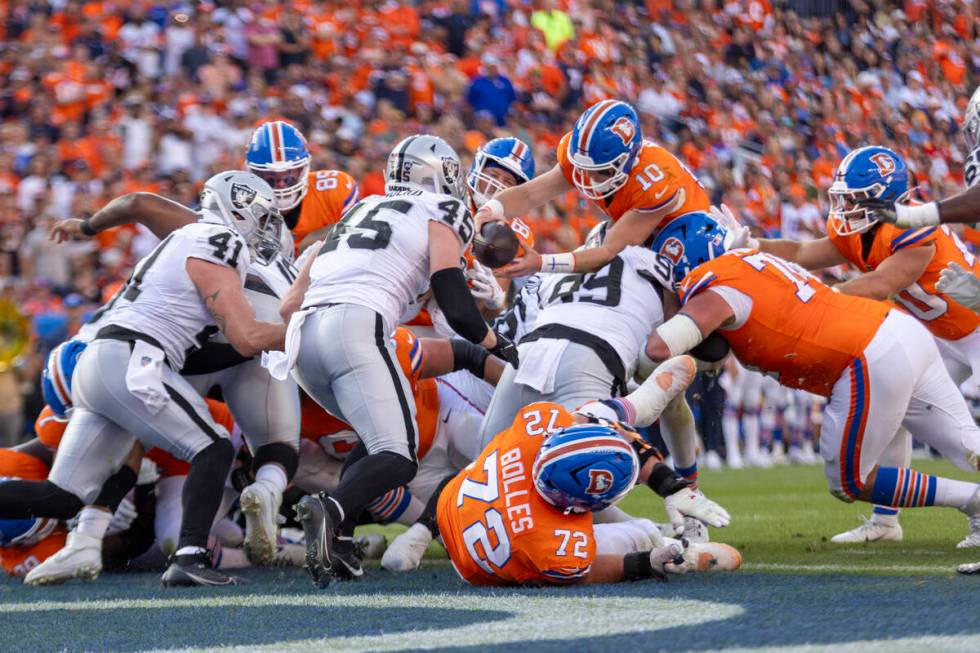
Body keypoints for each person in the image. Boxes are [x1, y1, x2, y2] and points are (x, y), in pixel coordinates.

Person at [0, 171, 287, 587]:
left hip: (100, 360)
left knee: (62, 497)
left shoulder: (186, 237)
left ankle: (80, 548)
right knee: (214, 448)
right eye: (261, 217)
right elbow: (246, 337)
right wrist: (302, 326)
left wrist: (87, 225)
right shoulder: (222, 241)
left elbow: (138, 203)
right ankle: (190, 558)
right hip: (132, 357)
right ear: (237, 208)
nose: (264, 228)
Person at [268, 135, 520, 587]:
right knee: (398, 456)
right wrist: (493, 340)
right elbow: (452, 294)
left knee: (374, 437)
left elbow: (289, 305)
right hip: (357, 326)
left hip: (302, 342)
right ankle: (333, 509)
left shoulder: (359, 209)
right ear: (441, 175)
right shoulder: (443, 210)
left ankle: (340, 542)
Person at [647, 211, 980, 549]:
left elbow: (660, 347)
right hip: (900, 329)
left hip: (866, 356)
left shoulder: (716, 288)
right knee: (968, 444)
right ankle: (916, 516)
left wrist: (668, 292)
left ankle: (974, 501)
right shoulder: (754, 261)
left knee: (850, 482)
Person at [742, 146, 980, 543]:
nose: (846, 205)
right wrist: (750, 247)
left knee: (966, 443)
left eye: (855, 197)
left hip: (975, 326)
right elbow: (801, 253)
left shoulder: (912, 228)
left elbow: (880, 284)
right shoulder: (858, 232)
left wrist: (818, 298)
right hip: (936, 333)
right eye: (845, 195)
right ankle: (886, 522)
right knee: (900, 404)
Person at [431, 356, 737, 586]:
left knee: (594, 416)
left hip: (452, 504)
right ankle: (667, 544)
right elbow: (589, 571)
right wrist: (647, 563)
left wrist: (668, 484)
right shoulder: (554, 545)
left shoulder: (533, 425)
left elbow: (589, 423)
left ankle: (633, 405)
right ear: (576, 509)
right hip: (473, 568)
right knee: (638, 534)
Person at [475, 100, 709, 278]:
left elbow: (608, 252)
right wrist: (490, 209)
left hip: (685, 240)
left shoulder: (656, 182)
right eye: (583, 167)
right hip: (629, 228)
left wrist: (542, 263)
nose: (588, 177)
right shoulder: (582, 155)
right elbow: (530, 194)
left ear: (630, 159)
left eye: (601, 171)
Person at [245, 120, 358, 253]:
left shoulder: (335, 189)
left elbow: (356, 243)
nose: (281, 184)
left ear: (304, 168)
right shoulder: (239, 201)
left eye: (288, 175)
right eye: (271, 176)